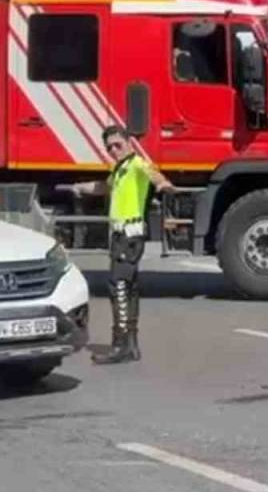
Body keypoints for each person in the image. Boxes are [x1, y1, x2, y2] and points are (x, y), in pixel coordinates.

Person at [89, 125, 175, 365]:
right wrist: (79, 187)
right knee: (129, 287)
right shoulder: (119, 170)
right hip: (121, 237)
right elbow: (103, 187)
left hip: (129, 236)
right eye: (109, 148)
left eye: (118, 145)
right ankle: (132, 345)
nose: (114, 150)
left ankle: (120, 345)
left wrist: (163, 184)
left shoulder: (136, 164)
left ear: (129, 143)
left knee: (118, 287)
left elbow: (153, 174)